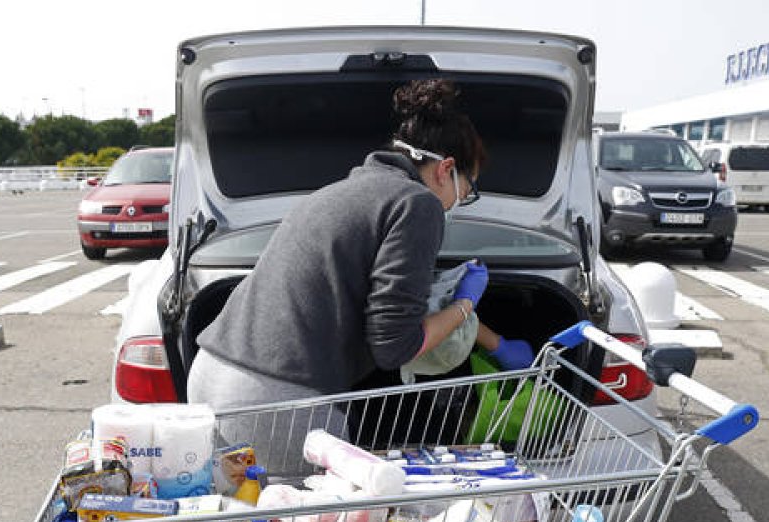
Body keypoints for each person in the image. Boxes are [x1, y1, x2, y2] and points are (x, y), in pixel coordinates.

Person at [187, 79, 534, 462]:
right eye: (467, 191)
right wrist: (466, 303)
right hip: (275, 402)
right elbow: (395, 345)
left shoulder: (343, 191)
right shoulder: (417, 204)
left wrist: (494, 342)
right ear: (446, 169)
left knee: (248, 518)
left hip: (211, 377)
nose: (460, 200)